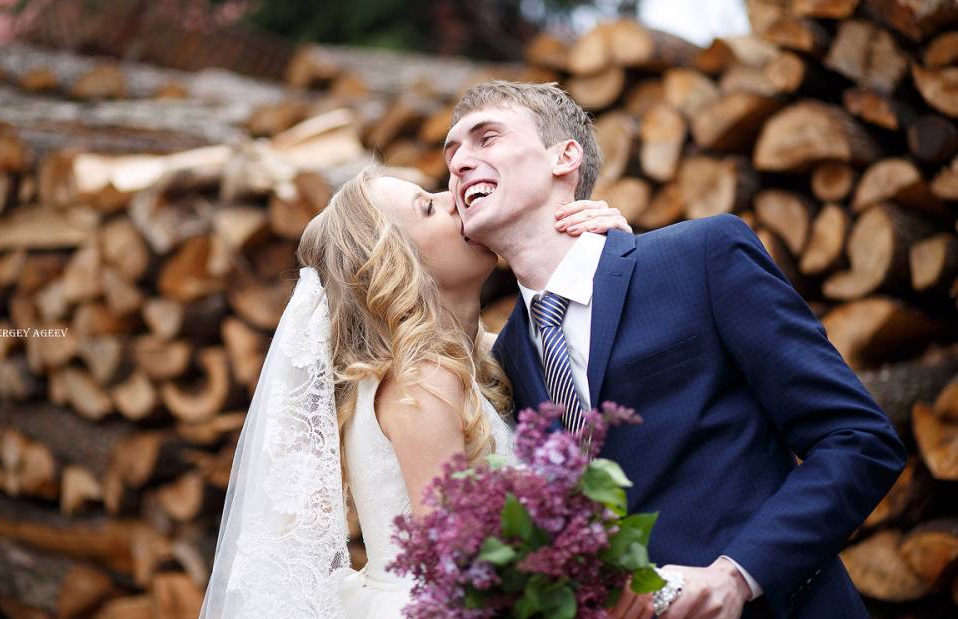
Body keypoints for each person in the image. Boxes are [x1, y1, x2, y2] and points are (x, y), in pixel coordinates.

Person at [444, 80, 908, 619]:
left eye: (487, 138)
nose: (459, 163)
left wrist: (738, 575)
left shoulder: (700, 258)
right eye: (451, 155)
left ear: (563, 157)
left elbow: (858, 439)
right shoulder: (507, 358)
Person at [197, 169, 635, 618]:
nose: (452, 198)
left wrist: (604, 256)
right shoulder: (424, 380)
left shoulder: (474, 358)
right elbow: (457, 564)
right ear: (396, 264)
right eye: (427, 207)